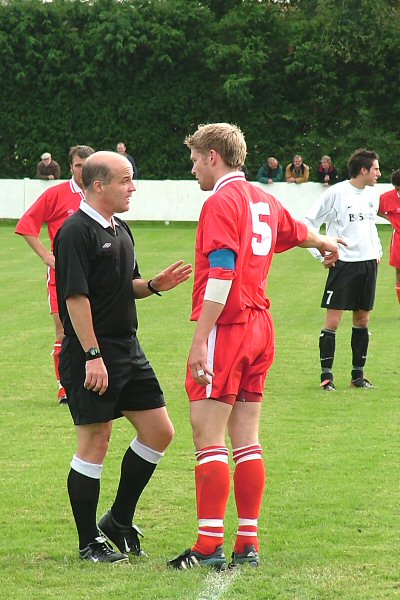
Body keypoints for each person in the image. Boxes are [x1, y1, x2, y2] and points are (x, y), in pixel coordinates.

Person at [167, 123, 343, 571]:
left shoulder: (221, 202)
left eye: (194, 159)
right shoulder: (262, 199)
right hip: (262, 327)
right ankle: (247, 541)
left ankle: (208, 546)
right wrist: (326, 243)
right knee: (246, 437)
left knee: (208, 435)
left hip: (229, 325)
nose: (192, 169)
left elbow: (222, 273)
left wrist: (201, 338)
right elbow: (298, 231)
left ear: (213, 156)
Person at [54, 150, 192, 564]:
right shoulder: (75, 231)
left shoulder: (120, 227)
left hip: (128, 348)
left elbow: (124, 284)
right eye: (126, 180)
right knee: (96, 440)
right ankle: (87, 543)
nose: (133, 188)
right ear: (99, 185)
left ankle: (118, 520)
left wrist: (153, 284)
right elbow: (76, 298)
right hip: (91, 351)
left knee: (160, 432)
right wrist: (92, 355)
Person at [16, 145, 95, 404]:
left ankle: (94, 381)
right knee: (63, 332)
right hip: (62, 276)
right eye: (78, 165)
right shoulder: (57, 194)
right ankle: (64, 387)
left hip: (96, 276)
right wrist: (46, 256)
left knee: (96, 329)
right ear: (70, 167)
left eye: (86, 165)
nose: (82, 170)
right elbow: (27, 225)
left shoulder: (100, 193)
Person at [304, 148, 382, 392]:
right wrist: (321, 253)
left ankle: (358, 376)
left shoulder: (372, 195)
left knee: (362, 319)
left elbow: (371, 227)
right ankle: (326, 377)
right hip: (344, 265)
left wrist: (376, 251)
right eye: (376, 168)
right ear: (363, 170)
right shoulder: (336, 193)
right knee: (333, 322)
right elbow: (308, 223)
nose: (379, 173)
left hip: (368, 264)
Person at [378, 169, 400, 303]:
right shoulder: (387, 197)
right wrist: (390, 219)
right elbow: (377, 210)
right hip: (398, 237)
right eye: (397, 188)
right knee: (399, 271)